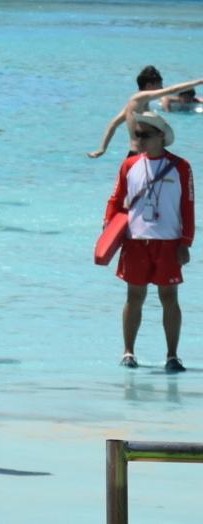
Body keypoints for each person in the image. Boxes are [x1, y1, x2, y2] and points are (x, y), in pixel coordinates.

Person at [109, 117, 194, 371]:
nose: (139, 139)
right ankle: (128, 352)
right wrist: (108, 232)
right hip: (135, 241)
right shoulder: (130, 164)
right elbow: (115, 200)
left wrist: (186, 242)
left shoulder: (181, 167)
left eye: (145, 135)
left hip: (169, 242)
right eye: (137, 134)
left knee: (169, 297)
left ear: (161, 136)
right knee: (134, 296)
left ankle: (172, 355)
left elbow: (188, 207)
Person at [92, 67, 203, 156]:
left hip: (133, 154)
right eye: (159, 84)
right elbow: (172, 90)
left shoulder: (134, 102)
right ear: (149, 85)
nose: (161, 87)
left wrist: (103, 148)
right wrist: (200, 81)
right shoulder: (140, 97)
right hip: (140, 155)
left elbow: (113, 124)